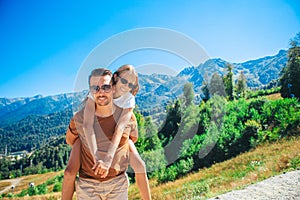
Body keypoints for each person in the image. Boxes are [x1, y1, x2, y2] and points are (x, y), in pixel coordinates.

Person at [62, 66, 151, 200]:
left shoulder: (128, 102)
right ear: (116, 79)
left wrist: (109, 159)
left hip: (116, 180)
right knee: (69, 172)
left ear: (112, 86)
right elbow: (85, 126)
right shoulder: (91, 100)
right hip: (89, 179)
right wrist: (97, 157)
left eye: (130, 84)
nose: (126, 86)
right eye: (124, 81)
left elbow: (122, 129)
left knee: (140, 165)